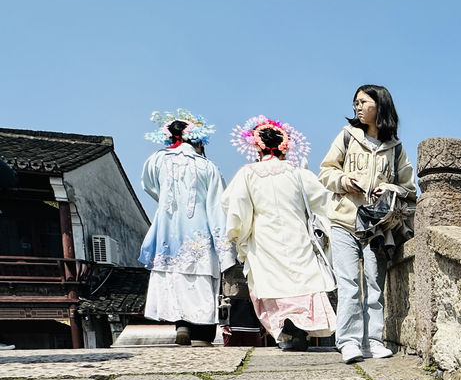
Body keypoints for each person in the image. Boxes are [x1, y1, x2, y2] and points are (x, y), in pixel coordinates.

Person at [319, 84, 416, 363]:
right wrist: (344, 181)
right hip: (344, 220)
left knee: (375, 283)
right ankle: (348, 341)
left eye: (363, 102)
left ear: (379, 105)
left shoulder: (396, 149)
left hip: (378, 226)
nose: (357, 108)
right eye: (355, 104)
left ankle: (374, 339)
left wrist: (388, 189)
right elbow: (325, 172)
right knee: (349, 284)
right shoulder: (347, 136)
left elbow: (409, 188)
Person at [222, 116, 336, 351]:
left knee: (272, 283)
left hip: (264, 239)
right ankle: (300, 329)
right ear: (286, 144)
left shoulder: (248, 174)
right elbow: (323, 202)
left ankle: (284, 329)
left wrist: (238, 235)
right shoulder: (298, 173)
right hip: (297, 237)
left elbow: (237, 208)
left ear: (256, 145)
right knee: (302, 283)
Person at [139, 109, 235, 345]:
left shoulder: (156, 160)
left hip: (169, 233)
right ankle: (202, 333)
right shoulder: (208, 167)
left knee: (174, 278)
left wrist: (167, 202)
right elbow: (217, 206)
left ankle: (181, 326)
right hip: (199, 233)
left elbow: (149, 187)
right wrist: (226, 248)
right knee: (200, 280)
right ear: (199, 141)